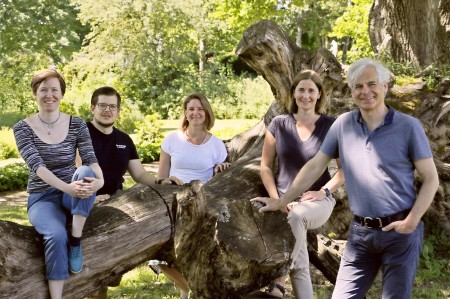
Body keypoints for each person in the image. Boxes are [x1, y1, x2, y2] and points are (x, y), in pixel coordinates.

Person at [252, 58, 439, 299]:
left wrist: (412, 221)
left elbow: (431, 178)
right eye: (358, 86)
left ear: (385, 86)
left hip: (400, 232)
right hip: (361, 232)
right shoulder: (343, 124)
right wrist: (280, 201)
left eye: (372, 84)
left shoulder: (408, 126)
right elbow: (315, 165)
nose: (365, 91)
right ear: (352, 92)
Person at [13, 69, 104, 299]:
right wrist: (66, 187)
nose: (49, 95)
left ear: (62, 93)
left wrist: (100, 181)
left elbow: (90, 159)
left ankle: (76, 239)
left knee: (84, 171)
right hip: (42, 197)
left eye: (54, 89)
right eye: (43, 90)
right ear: (35, 93)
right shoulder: (22, 128)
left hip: (72, 192)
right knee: (54, 234)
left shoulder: (77, 124)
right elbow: (38, 167)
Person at [82, 86, 177, 299]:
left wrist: (161, 180)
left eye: (112, 106)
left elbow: (140, 174)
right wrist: (88, 197)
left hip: (115, 208)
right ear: (92, 108)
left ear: (118, 111)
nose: (107, 110)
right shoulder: (80, 136)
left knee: (111, 274)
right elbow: (70, 173)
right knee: (95, 275)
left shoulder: (124, 139)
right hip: (84, 206)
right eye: (102, 105)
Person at [258, 70, 344, 299]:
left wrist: (323, 191)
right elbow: (265, 166)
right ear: (293, 93)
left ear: (319, 95)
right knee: (301, 265)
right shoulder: (278, 124)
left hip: (318, 201)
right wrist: (277, 199)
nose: (305, 95)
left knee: (297, 216)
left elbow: (344, 171)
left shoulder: (331, 126)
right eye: (301, 90)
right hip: (285, 200)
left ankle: (278, 281)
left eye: (311, 91)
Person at [156, 92, 231, 299]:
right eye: (191, 109)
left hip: (202, 204)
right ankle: (189, 288)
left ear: (207, 113)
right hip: (174, 201)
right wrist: (167, 180)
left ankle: (188, 291)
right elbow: (160, 178)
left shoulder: (216, 145)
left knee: (197, 252)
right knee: (162, 257)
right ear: (185, 113)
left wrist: (222, 168)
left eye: (200, 108)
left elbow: (220, 180)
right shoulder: (172, 140)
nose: (196, 112)